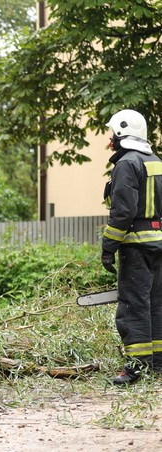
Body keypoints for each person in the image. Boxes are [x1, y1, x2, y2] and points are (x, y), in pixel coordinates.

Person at [101, 109, 162, 385]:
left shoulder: (127, 163)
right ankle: (158, 364)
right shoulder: (156, 161)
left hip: (136, 247)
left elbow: (123, 212)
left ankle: (137, 366)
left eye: (113, 132)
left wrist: (108, 244)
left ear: (123, 132)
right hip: (159, 244)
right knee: (156, 305)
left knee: (134, 307)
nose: (110, 138)